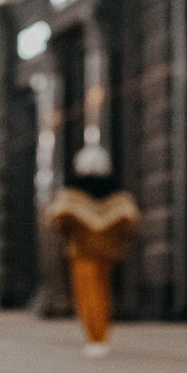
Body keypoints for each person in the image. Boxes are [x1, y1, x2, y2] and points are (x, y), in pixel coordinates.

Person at [44, 151, 137, 357]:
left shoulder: (72, 190)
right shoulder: (116, 190)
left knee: (87, 294)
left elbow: (58, 218)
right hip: (106, 250)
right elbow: (130, 219)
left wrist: (72, 234)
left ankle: (93, 337)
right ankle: (102, 334)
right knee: (104, 293)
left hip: (83, 250)